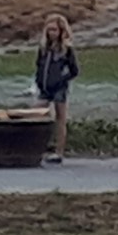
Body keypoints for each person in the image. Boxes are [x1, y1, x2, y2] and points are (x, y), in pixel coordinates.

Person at [35, 13, 80, 163]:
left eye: (54, 30)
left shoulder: (66, 49)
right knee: (37, 115)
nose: (51, 33)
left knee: (60, 118)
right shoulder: (43, 48)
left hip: (59, 87)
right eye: (49, 30)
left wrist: (62, 79)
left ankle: (59, 151)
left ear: (61, 31)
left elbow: (74, 70)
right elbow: (38, 65)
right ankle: (39, 147)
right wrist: (38, 81)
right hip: (44, 86)